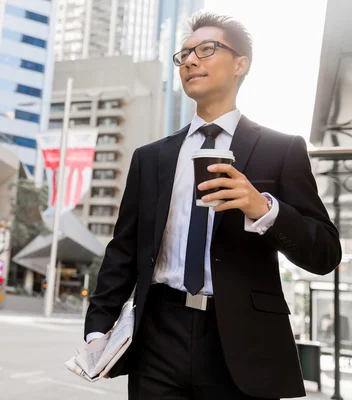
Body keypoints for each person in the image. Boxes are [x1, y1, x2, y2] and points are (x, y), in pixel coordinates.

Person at [84, 12, 342, 400]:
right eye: (184, 54)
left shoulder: (282, 149)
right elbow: (123, 250)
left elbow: (325, 252)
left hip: (242, 341)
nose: (189, 61)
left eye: (206, 50)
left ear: (241, 64)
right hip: (157, 335)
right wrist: (97, 329)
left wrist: (263, 208)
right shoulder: (150, 157)